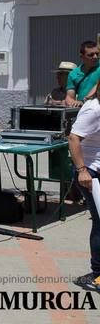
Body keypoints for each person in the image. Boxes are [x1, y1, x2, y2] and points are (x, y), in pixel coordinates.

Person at [68, 90, 100, 287]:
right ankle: (97, 275)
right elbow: (73, 138)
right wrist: (82, 171)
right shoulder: (93, 110)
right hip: (90, 173)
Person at [66, 41, 100, 107]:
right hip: (83, 109)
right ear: (81, 56)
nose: (95, 57)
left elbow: (96, 87)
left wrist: (84, 101)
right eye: (91, 55)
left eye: (97, 54)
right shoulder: (73, 74)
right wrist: (73, 102)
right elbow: (69, 97)